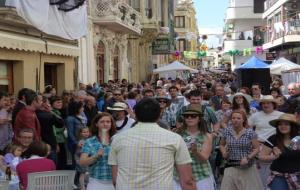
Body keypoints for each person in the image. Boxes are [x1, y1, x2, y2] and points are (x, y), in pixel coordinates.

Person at [108, 98, 196, 190]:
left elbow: (115, 180)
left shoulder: (117, 139)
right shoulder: (175, 139)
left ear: (136, 115)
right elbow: (187, 180)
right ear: (159, 115)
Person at [174, 105, 215, 190]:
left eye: (193, 116)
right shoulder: (177, 134)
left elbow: (204, 159)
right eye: (186, 116)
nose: (189, 118)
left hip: (201, 174)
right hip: (180, 175)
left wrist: (195, 152)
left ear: (199, 118)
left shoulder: (207, 136)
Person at [220, 110, 263, 190]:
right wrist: (224, 152)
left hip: (247, 167)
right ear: (231, 120)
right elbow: (221, 145)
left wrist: (248, 157)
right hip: (231, 165)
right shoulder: (226, 131)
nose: (235, 120)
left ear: (243, 120)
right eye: (233, 118)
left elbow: (257, 148)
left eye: (238, 118)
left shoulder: (250, 133)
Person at [259, 114, 300, 190]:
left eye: (286, 124)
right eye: (280, 124)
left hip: (297, 175)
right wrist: (273, 157)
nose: (283, 126)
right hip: (279, 176)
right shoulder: (273, 138)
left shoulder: (298, 138)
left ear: (292, 126)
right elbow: (261, 156)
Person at [80, 113, 117, 190]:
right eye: (102, 122)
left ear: (111, 124)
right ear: (96, 124)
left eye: (108, 122)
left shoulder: (117, 140)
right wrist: (96, 156)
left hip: (115, 182)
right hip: (96, 181)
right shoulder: (90, 141)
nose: (105, 124)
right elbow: (82, 162)